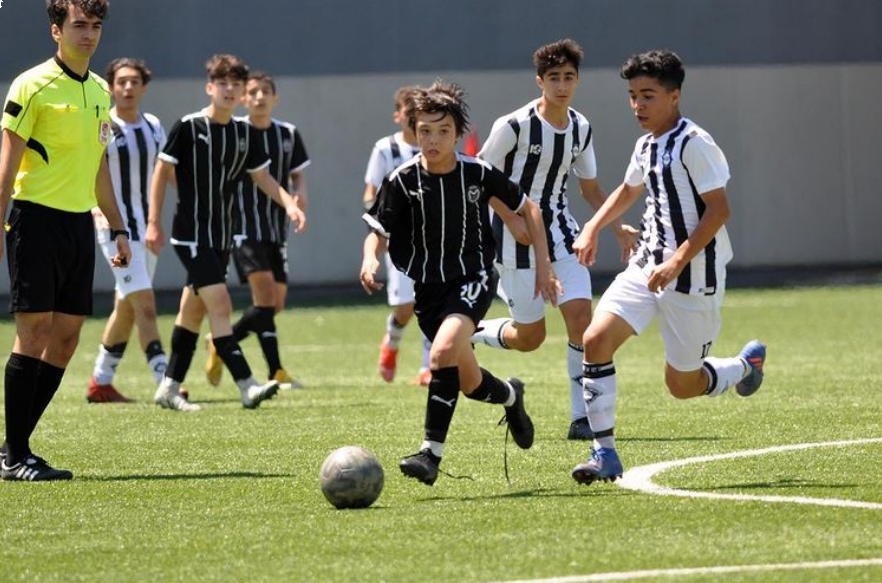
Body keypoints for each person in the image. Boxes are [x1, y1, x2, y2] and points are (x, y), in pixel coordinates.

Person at [569, 50, 766, 485]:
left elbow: (719, 210)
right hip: (646, 267)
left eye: (648, 95)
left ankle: (744, 366)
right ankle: (604, 454)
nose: (638, 105)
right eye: (633, 95)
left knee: (682, 385)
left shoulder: (695, 143)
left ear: (674, 97)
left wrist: (677, 261)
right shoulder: (646, 144)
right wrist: (593, 227)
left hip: (694, 277)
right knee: (595, 339)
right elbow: (628, 190)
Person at [360, 81, 559, 486]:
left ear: (458, 134)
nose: (433, 140)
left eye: (443, 131)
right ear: (414, 131)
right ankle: (511, 396)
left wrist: (544, 267)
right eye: (425, 131)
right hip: (428, 290)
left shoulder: (477, 172)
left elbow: (530, 209)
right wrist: (369, 259)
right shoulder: (402, 180)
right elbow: (378, 230)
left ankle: (430, 454)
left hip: (473, 278)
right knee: (469, 383)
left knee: (441, 353)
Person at [471, 39, 637, 440]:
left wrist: (617, 226)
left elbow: (590, 189)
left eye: (568, 77)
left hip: (562, 236)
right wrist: (511, 219)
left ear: (577, 80)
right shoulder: (513, 126)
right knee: (530, 339)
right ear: (539, 81)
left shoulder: (581, 127)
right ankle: (473, 333)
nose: (562, 86)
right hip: (513, 243)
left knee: (582, 321)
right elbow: (478, 177)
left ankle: (582, 418)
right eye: (554, 78)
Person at [0, 0, 131, 481]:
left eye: (95, 26)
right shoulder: (31, 85)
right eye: (78, 25)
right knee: (33, 334)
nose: (88, 34)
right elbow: (7, 165)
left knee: (68, 337)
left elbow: (99, 167)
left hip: (78, 225)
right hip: (34, 222)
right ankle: (15, 457)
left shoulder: (100, 90)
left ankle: (12, 448)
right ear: (56, 30)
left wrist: (118, 226)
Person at [146, 54, 306, 412]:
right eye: (222, 83)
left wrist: (289, 204)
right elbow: (160, 173)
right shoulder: (188, 127)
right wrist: (154, 222)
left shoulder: (244, 133)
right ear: (210, 87)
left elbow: (262, 177)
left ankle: (168, 387)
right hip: (191, 236)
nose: (229, 89)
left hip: (223, 237)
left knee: (191, 313)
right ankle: (247, 385)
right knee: (221, 305)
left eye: (236, 84)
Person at [204, 71, 309, 390]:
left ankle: (221, 341)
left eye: (266, 91)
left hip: (276, 228)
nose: (259, 97)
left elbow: (298, 174)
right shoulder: (237, 132)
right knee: (264, 298)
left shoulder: (288, 133)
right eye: (253, 92)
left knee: (275, 304)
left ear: (275, 98)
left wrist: (300, 193)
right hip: (242, 227)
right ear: (243, 99)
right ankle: (276, 371)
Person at [88, 57, 169, 403]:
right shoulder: (103, 125)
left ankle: (100, 382)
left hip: (147, 230)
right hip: (114, 231)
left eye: (134, 81)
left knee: (127, 305)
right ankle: (166, 381)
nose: (128, 87)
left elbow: (165, 173)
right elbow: (87, 169)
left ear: (144, 87)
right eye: (121, 82)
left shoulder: (153, 126)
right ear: (110, 87)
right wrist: (95, 208)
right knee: (145, 305)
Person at [362, 86, 433, 387]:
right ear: (398, 116)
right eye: (408, 112)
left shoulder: (434, 146)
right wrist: (384, 227)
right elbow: (370, 195)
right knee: (406, 308)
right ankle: (391, 342)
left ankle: (428, 367)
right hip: (400, 242)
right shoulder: (386, 149)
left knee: (431, 302)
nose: (413, 118)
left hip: (433, 240)